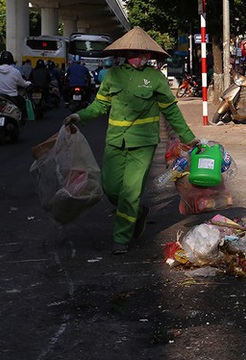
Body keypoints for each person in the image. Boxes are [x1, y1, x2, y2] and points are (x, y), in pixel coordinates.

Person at [63, 27, 199, 255]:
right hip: (115, 142)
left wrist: (188, 137)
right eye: (134, 53)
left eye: (142, 53)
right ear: (126, 54)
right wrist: (80, 116)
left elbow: (171, 111)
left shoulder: (155, 79)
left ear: (148, 55)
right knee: (110, 188)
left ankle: (121, 238)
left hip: (143, 145)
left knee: (130, 192)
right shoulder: (113, 76)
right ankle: (137, 213)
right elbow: (99, 106)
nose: (139, 57)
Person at [0, 51, 31, 119]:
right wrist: (29, 83)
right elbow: (23, 84)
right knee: (22, 103)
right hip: (12, 96)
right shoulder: (15, 71)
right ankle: (22, 120)